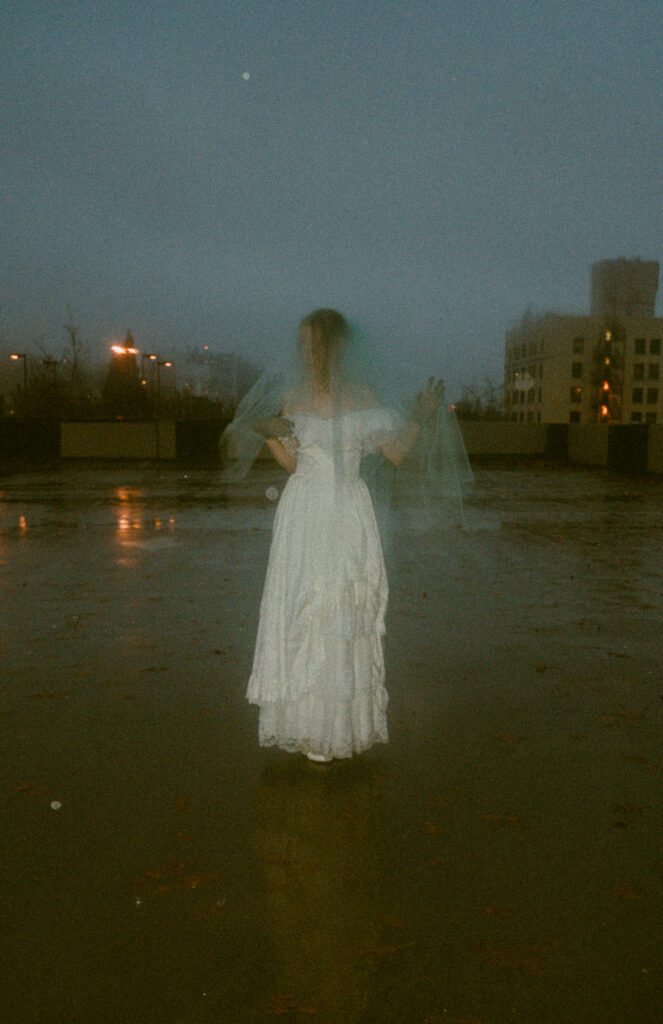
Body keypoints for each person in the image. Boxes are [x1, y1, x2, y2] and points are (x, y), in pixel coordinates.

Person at [233, 308, 444, 763]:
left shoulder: (363, 395)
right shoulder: (294, 395)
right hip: (303, 513)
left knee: (342, 611)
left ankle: (344, 727)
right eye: (303, 346)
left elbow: (396, 454)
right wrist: (269, 434)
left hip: (348, 512)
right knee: (301, 611)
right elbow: (292, 462)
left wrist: (419, 418)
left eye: (316, 346)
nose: (307, 355)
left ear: (337, 347)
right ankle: (303, 726)